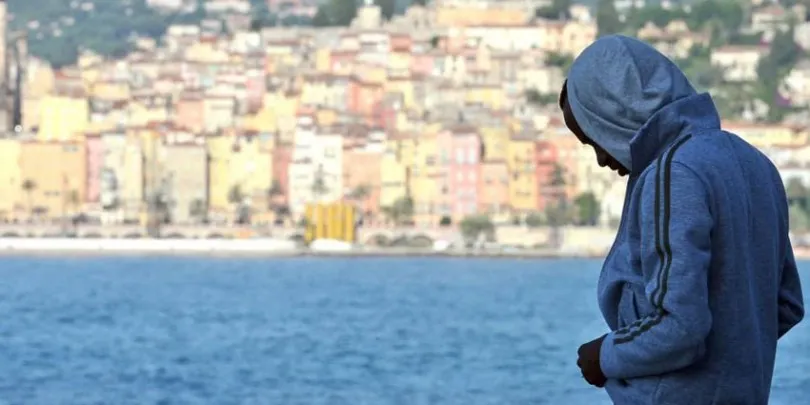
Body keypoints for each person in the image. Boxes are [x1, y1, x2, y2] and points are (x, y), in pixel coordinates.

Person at [561, 35, 805, 404]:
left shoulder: (674, 171)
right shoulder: (757, 164)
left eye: (594, 138)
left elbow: (680, 326)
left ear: (617, 113)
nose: (601, 159)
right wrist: (731, 358)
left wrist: (604, 356)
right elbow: (786, 305)